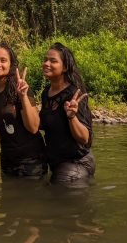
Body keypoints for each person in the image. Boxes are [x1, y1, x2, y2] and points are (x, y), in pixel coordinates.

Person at [0, 42, 47, 178]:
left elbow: (34, 127)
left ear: (11, 64)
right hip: (7, 160)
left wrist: (23, 96)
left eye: (3, 60)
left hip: (31, 160)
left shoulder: (20, 88)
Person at [39, 42, 95, 184]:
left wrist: (71, 117)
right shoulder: (46, 93)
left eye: (53, 61)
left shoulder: (74, 94)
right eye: (45, 59)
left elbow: (85, 138)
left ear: (64, 67)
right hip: (57, 163)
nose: (46, 63)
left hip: (77, 162)